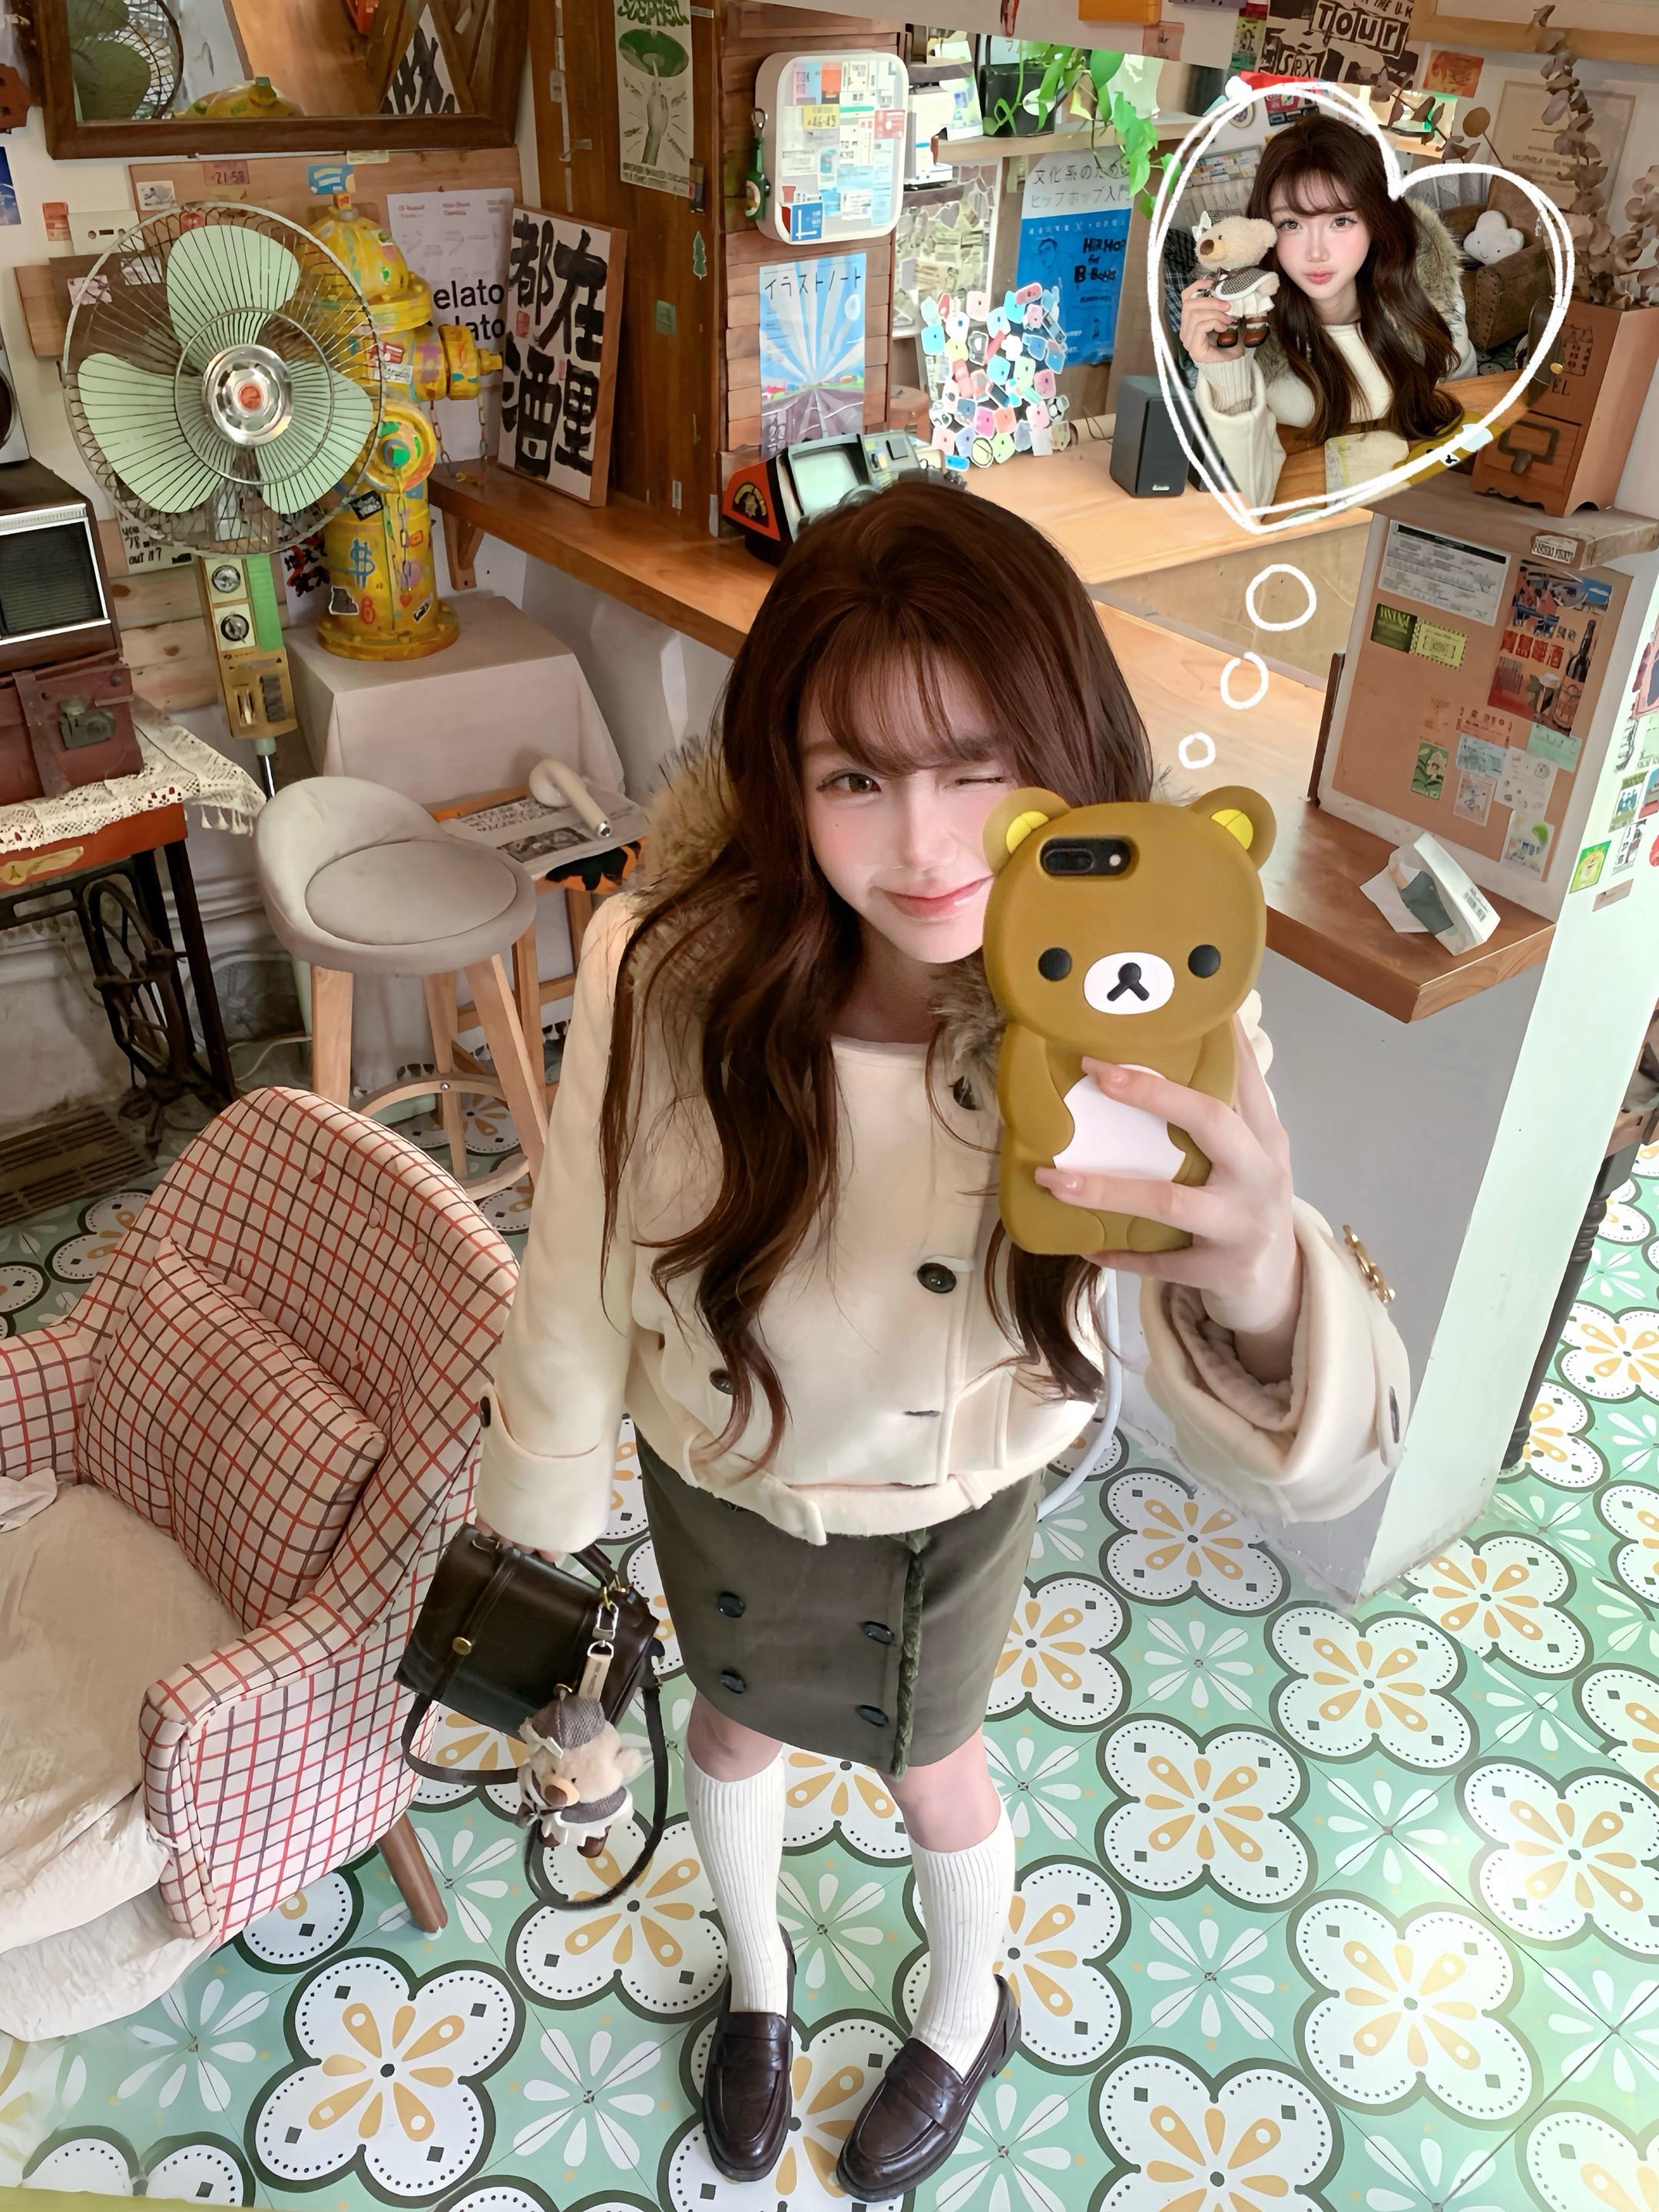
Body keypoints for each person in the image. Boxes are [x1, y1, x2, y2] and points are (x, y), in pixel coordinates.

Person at [472, 478, 1409, 2196]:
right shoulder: (661, 964)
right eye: (855, 778)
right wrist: (540, 1514)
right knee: (731, 1734)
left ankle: (965, 2009)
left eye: (980, 769)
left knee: (934, 1768)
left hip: (948, 1501)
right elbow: (581, 1252)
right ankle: (758, 1986)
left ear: (1068, 760)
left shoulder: (1143, 991)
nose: (923, 848)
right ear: (783, 777)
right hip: (722, 1468)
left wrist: (1267, 1279)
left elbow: (1265, 1385)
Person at [1179, 110, 1477, 510]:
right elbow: (1247, 503)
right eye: (1291, 224)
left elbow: (1467, 408)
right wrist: (1226, 372)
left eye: (1341, 221)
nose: (1316, 253)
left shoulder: (1427, 296)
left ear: (1375, 222)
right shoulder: (1248, 329)